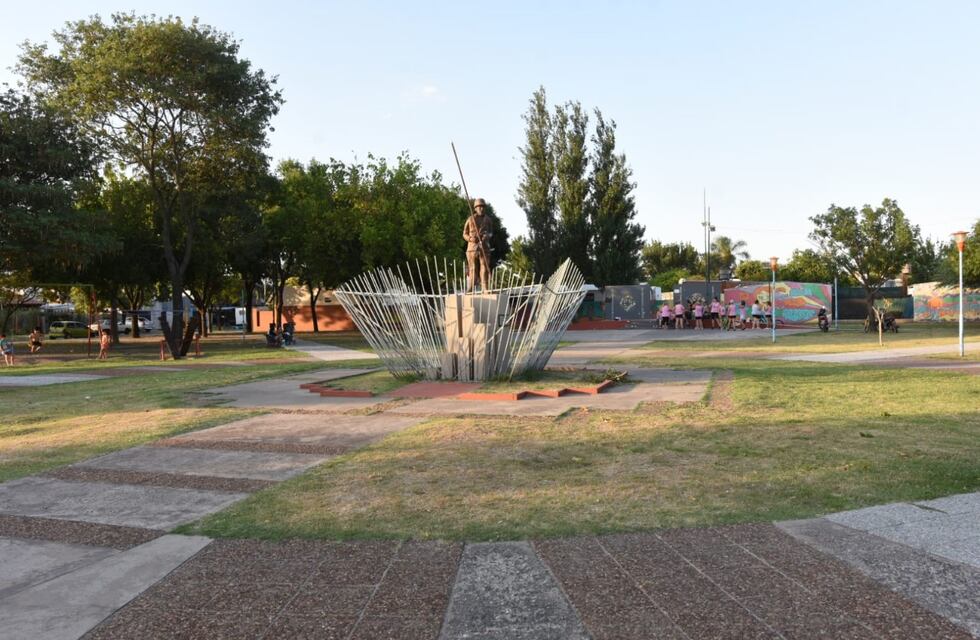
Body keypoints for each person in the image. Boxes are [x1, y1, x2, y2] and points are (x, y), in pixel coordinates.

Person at [463, 198, 493, 292]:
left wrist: (487, 236)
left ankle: (485, 287)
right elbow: (464, 233)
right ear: (475, 208)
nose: (481, 209)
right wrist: (471, 239)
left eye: (483, 207)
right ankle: (471, 286)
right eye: (479, 207)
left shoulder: (488, 220)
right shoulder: (470, 219)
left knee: (484, 266)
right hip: (472, 247)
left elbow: (491, 232)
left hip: (484, 247)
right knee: (472, 268)